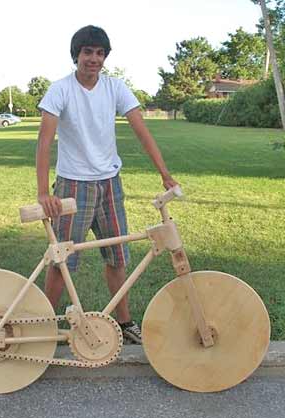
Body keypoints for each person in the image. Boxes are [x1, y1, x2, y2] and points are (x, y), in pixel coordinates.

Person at [36, 25, 178, 344]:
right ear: (77, 55)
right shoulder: (60, 89)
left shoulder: (115, 87)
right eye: (88, 52)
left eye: (100, 53)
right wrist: (43, 191)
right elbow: (44, 142)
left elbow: (142, 130)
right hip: (74, 185)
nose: (94, 59)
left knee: (117, 256)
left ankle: (124, 322)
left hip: (109, 184)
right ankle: (42, 324)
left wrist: (164, 173)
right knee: (63, 260)